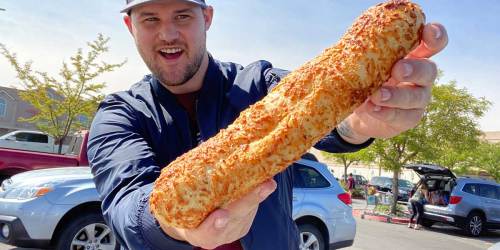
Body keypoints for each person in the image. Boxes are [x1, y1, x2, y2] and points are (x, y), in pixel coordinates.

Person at [87, 0, 449, 249]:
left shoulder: (259, 84)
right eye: (151, 19)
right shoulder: (119, 114)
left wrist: (357, 122)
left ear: (207, 18)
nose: (168, 33)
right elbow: (124, 201)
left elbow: (316, 107)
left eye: (182, 16)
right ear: (129, 25)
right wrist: (172, 226)